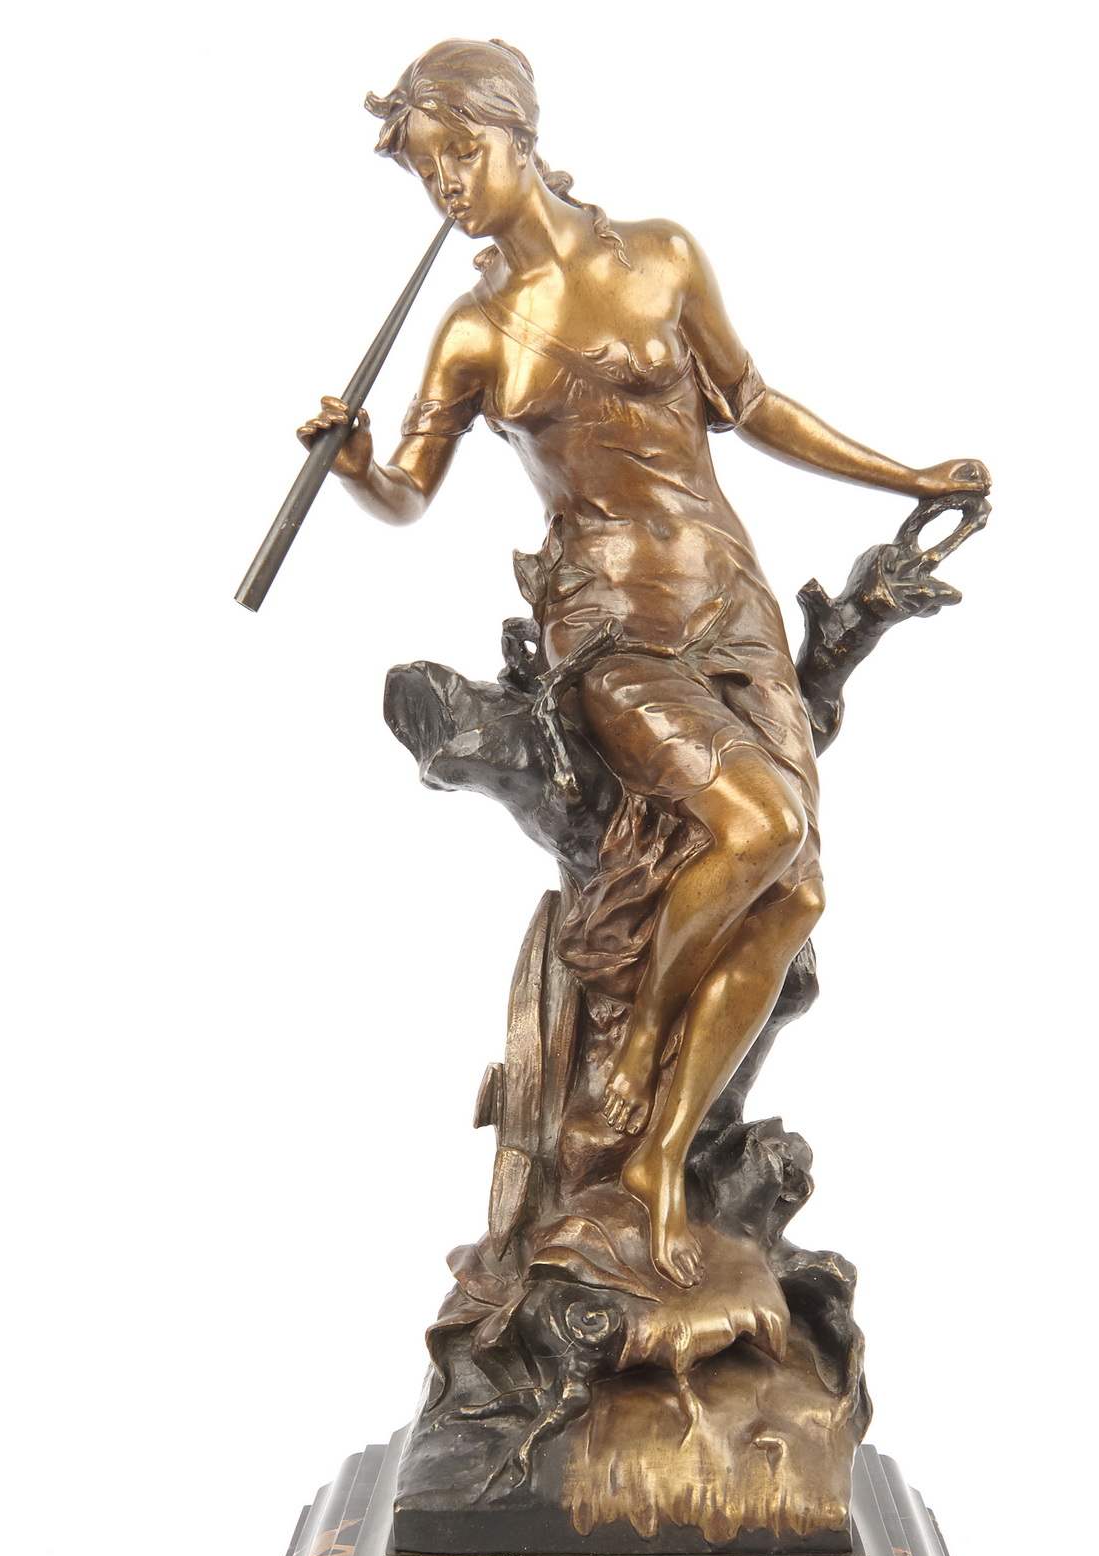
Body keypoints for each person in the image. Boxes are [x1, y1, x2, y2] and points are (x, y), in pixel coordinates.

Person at [300, 38, 988, 1287]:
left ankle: (662, 1161)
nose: (446, 184)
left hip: (730, 604)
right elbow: (406, 491)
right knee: (758, 823)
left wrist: (905, 474)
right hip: (608, 626)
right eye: (424, 170)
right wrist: (353, 467)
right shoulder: (472, 332)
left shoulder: (661, 255)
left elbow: (753, 404)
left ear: (517, 131)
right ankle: (625, 1063)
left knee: (792, 896)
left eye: (460, 152)